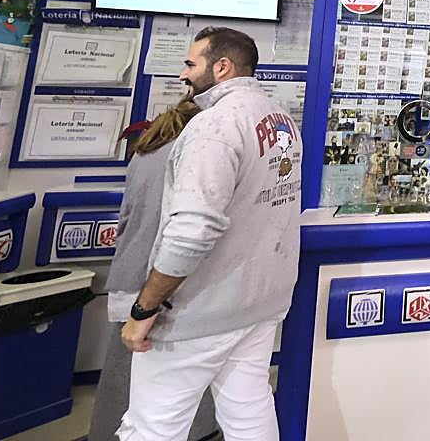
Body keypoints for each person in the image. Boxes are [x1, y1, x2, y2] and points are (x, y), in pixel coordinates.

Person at [117, 27, 302, 441]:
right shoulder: (280, 119)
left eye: (190, 64)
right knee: (248, 411)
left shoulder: (214, 126)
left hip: (198, 311)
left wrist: (145, 308)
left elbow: (192, 230)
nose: (183, 74)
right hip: (258, 303)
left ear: (222, 67)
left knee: (153, 424)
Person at [88, 97, 218, 441]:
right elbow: (192, 229)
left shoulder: (148, 148)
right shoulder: (195, 155)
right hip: (161, 284)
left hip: (130, 275)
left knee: (123, 383)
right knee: (164, 389)